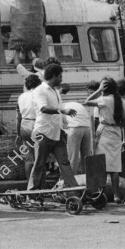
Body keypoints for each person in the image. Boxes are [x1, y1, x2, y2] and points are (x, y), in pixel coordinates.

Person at [27, 64, 79, 193]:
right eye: (60, 76)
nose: (61, 79)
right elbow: (43, 108)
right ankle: (31, 194)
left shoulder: (56, 91)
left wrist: (64, 123)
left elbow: (59, 111)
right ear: (54, 76)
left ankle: (75, 192)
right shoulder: (39, 90)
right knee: (39, 164)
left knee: (64, 163)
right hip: (43, 133)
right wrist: (63, 110)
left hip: (57, 133)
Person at [84, 77, 125, 203]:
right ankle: (116, 195)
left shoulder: (104, 100)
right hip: (116, 134)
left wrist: (98, 90)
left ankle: (99, 194)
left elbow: (87, 101)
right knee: (115, 168)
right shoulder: (122, 102)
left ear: (105, 89)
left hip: (104, 132)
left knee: (100, 164)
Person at [61, 84, 94, 175]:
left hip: (75, 129)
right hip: (87, 128)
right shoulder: (75, 104)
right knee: (86, 156)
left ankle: (71, 183)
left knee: (73, 157)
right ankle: (87, 180)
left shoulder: (60, 108)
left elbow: (62, 125)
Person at [17, 74, 42, 179]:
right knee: (39, 157)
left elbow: (19, 117)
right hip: (36, 125)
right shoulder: (38, 95)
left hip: (24, 126)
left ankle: (29, 186)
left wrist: (18, 133)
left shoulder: (21, 97)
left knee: (28, 158)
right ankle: (39, 185)